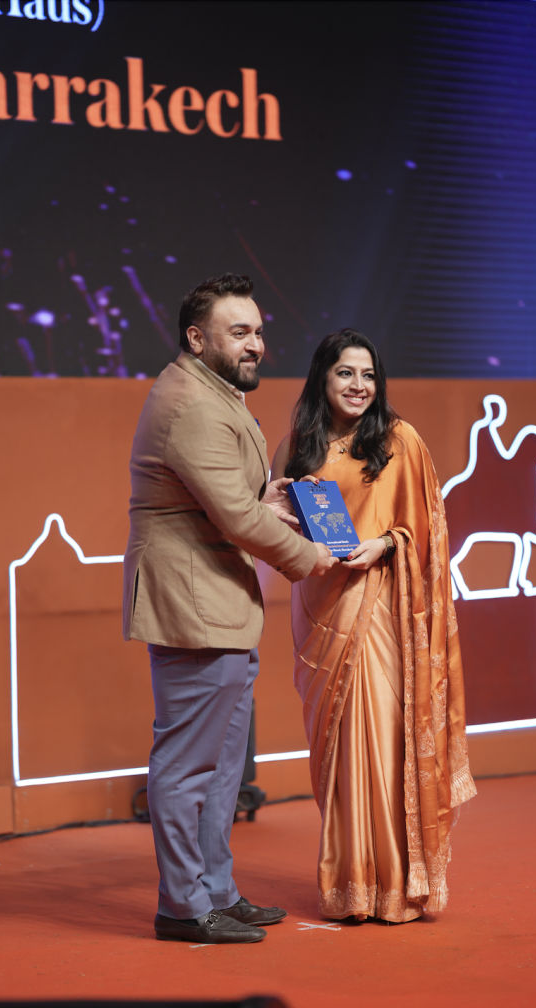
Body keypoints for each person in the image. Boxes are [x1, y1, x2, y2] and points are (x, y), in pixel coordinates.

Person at [122, 273, 336, 945]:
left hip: (220, 603)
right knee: (188, 766)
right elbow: (237, 519)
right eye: (239, 332)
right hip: (195, 608)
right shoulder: (191, 402)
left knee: (219, 770)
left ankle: (215, 891)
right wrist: (312, 557)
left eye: (259, 332)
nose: (255, 345)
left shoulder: (215, 392)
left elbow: (232, 500)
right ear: (197, 338)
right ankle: (183, 907)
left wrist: (266, 499)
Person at [271, 328, 476, 923]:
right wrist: (279, 515)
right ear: (322, 377)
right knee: (337, 754)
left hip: (381, 606)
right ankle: (349, 883)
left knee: (383, 741)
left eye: (368, 375)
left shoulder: (398, 440)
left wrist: (385, 544)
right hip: (319, 608)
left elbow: (428, 528)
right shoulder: (297, 445)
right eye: (345, 373)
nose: (358, 385)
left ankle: (392, 887)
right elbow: (278, 532)